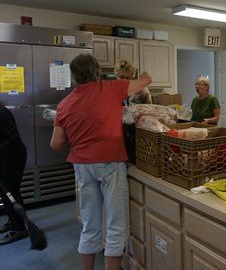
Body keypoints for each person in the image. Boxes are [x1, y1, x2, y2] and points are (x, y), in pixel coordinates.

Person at [50, 54, 151, 270]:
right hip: (110, 163)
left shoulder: (64, 104)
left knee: (90, 223)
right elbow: (146, 80)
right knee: (116, 225)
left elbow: (56, 144)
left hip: (82, 167)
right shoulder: (111, 88)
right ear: (97, 72)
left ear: (74, 76)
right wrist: (139, 75)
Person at [0, 102, 28, 245]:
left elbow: (13, 138)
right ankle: (13, 220)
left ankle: (20, 228)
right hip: (4, 157)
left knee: (11, 192)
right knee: (4, 192)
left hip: (13, 157)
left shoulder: (2, 113)